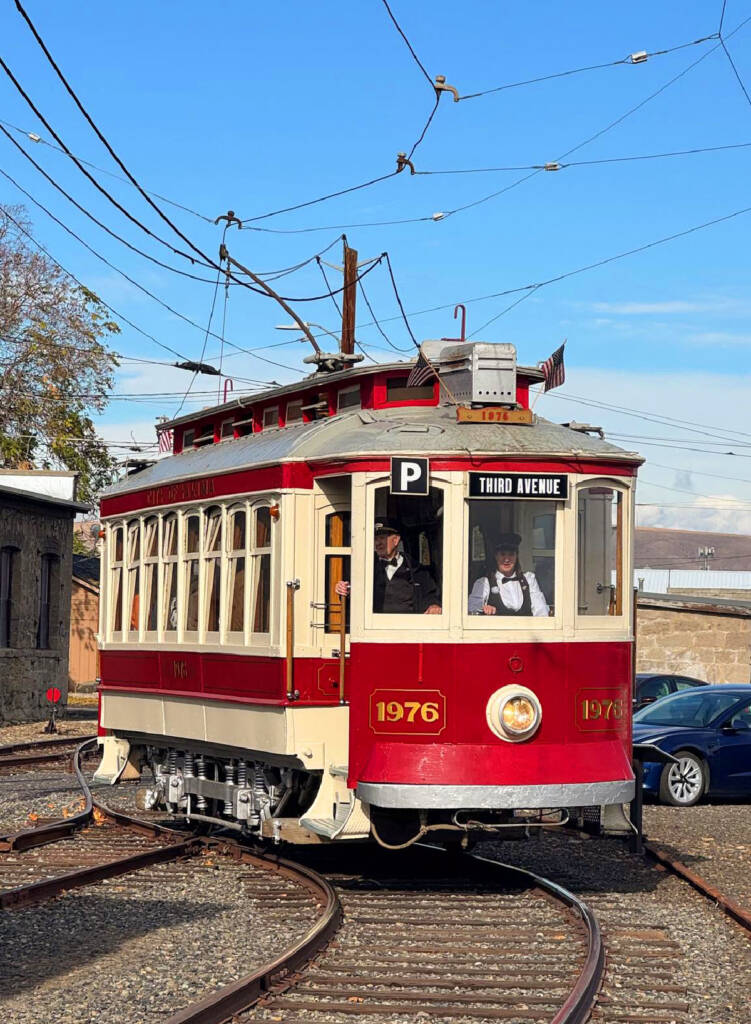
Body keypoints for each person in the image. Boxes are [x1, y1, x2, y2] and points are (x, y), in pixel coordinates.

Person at [335, 517, 442, 614]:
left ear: (395, 540)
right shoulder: (363, 567)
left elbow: (430, 595)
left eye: (382, 538)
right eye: (375, 539)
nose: (378, 543)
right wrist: (344, 590)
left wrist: (433, 605)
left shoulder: (417, 570)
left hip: (408, 629)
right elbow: (351, 593)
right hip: (373, 629)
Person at [468, 532, 549, 617]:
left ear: (516, 556)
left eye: (511, 554)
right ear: (496, 556)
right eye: (502, 554)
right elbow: (472, 609)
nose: (507, 559)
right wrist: (484, 609)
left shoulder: (529, 580)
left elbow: (541, 609)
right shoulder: (484, 583)